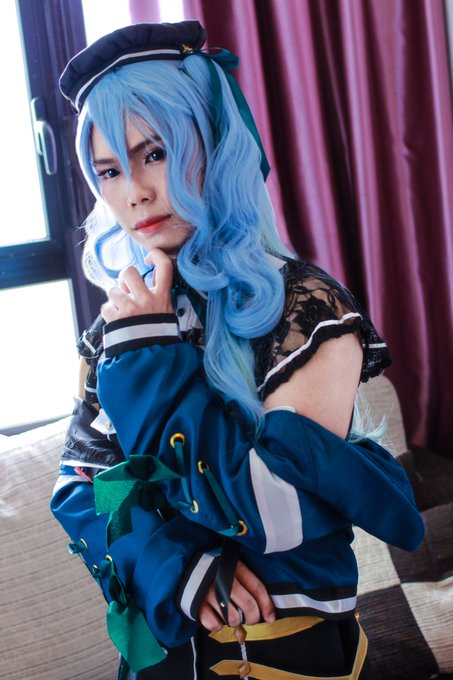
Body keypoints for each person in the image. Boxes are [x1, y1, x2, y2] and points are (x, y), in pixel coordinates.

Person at [51, 20, 424, 680]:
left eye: (154, 153)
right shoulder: (121, 326)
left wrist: (148, 359)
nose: (133, 191)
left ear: (213, 143)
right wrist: (176, 569)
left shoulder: (304, 305)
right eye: (109, 170)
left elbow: (275, 510)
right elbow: (81, 491)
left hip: (289, 656)